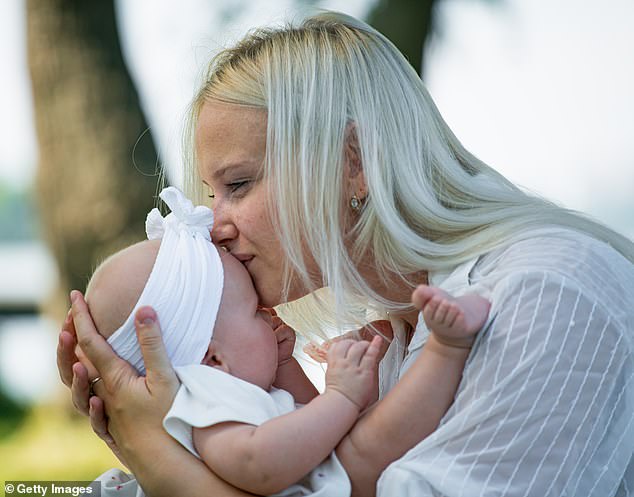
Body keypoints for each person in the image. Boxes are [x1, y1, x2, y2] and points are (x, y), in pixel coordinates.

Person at [57, 10, 634, 497]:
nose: (213, 226)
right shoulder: (385, 344)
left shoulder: (546, 293)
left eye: (238, 185)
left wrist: (160, 457)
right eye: (211, 195)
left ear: (353, 163)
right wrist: (142, 423)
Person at [82, 186, 488, 497]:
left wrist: (287, 367)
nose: (271, 315)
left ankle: (444, 349)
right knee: (363, 452)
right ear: (213, 359)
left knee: (365, 448)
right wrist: (341, 398)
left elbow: (301, 418)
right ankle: (446, 349)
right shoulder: (204, 402)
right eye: (256, 312)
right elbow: (259, 462)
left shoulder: (227, 390)